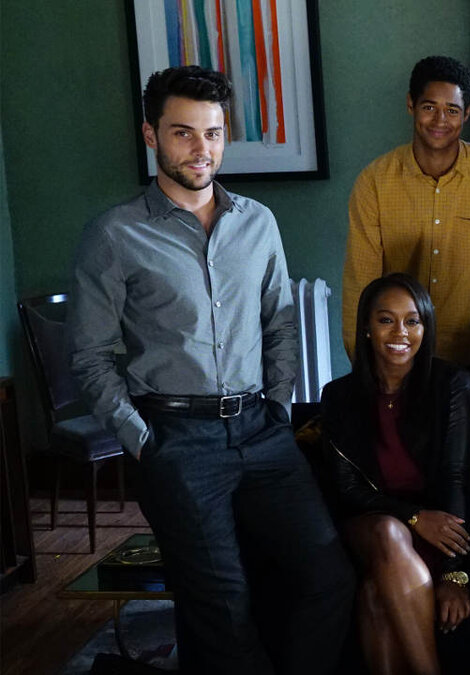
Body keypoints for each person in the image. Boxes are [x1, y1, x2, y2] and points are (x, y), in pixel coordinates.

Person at [67, 66, 353, 674]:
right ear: (151, 135)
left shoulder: (258, 222)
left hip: (261, 431)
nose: (202, 149)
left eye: (214, 133)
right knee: (223, 608)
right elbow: (90, 357)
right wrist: (143, 442)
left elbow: (280, 323)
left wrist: (278, 407)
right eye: (184, 133)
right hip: (176, 440)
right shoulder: (114, 234)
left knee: (327, 574)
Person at [343, 55, 470, 401]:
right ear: (411, 105)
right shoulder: (375, 183)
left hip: (465, 359)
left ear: (467, 113)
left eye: (452, 110)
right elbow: (360, 287)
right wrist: (363, 370)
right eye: (429, 107)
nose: (440, 120)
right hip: (392, 362)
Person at [321, 274, 470, 675]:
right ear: (367, 328)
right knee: (389, 532)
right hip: (370, 526)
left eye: (412, 321)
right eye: (386, 320)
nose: (400, 333)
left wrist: (455, 575)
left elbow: (454, 477)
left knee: (376, 593)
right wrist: (413, 517)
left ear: (426, 327)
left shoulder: (450, 385)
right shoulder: (339, 396)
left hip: (432, 530)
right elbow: (348, 489)